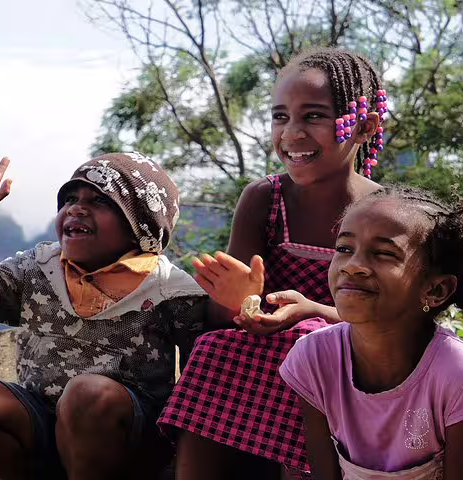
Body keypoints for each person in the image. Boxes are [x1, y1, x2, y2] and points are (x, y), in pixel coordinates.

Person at [158, 47, 388, 479]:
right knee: (213, 350)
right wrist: (241, 299)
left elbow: (391, 321)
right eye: (280, 117)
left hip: (352, 354)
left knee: (308, 345)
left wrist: (313, 312)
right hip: (271, 347)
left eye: (314, 117)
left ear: (364, 127)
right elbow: (225, 320)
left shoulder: (384, 212)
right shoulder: (265, 199)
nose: (292, 133)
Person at [0, 151, 207, 480]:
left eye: (100, 201)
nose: (75, 208)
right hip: (43, 424)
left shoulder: (171, 292)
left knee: (87, 395)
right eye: (70, 198)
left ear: (140, 225)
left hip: (130, 442)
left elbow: (202, 394)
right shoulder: (39, 268)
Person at [279, 186, 463, 479]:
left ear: (435, 289)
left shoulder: (458, 374)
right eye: (344, 248)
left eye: (383, 253)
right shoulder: (314, 358)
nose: (353, 266)